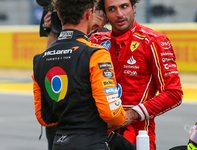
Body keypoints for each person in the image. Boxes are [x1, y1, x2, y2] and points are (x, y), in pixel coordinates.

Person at [32, 0, 127, 149]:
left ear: (60, 16)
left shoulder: (40, 59)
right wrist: (124, 117)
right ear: (89, 14)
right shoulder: (95, 53)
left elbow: (43, 118)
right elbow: (112, 115)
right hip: (92, 143)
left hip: (59, 143)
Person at [89, 0, 183, 149]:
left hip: (138, 137)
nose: (119, 14)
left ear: (133, 7)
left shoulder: (154, 41)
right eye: (112, 9)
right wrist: (89, 29)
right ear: (105, 14)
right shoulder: (95, 41)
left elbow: (174, 93)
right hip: (98, 136)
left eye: (124, 6)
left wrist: (131, 115)